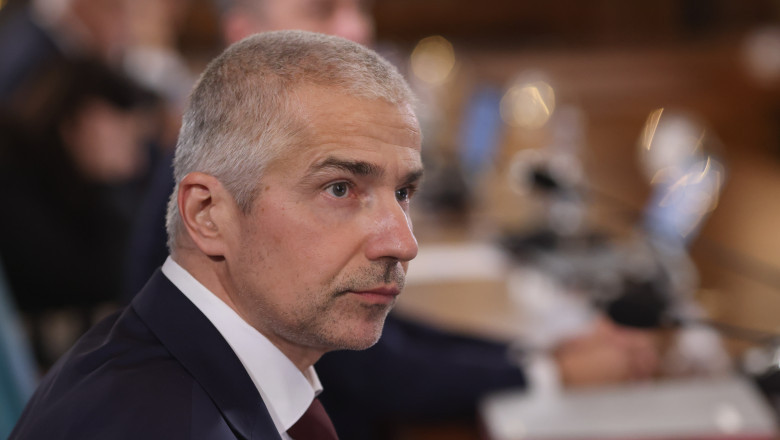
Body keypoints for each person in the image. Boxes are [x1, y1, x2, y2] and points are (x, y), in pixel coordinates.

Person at [10, 30, 423, 439]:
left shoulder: (176, 378)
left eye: (403, 192)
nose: (403, 244)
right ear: (206, 214)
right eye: (340, 189)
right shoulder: (155, 424)